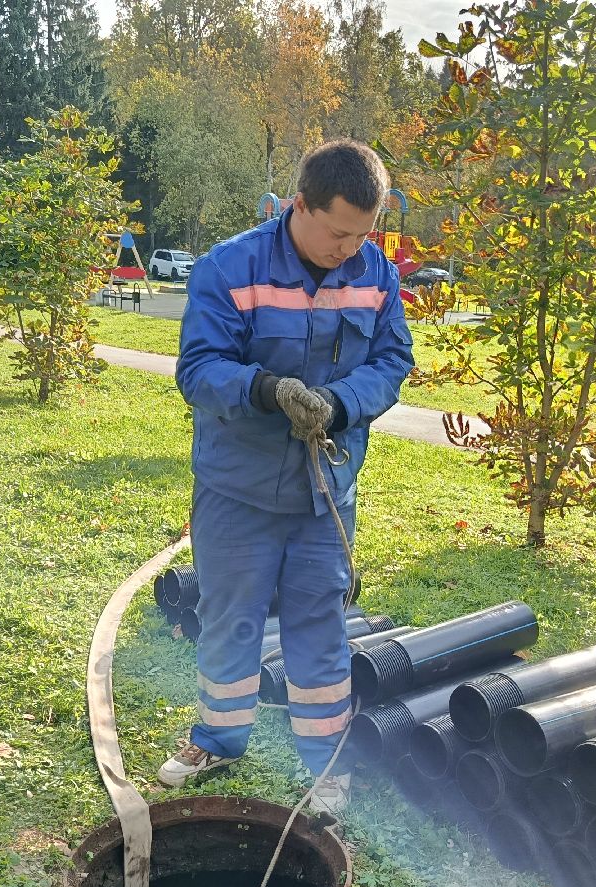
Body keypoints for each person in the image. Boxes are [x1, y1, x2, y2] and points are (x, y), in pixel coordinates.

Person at [157, 140, 415, 813]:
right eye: (337, 232)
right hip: (236, 490)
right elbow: (199, 370)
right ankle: (218, 736)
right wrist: (267, 389)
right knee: (228, 620)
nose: (349, 247)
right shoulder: (230, 268)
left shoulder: (374, 273)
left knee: (319, 628)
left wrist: (340, 403)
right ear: (299, 205)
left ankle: (326, 766)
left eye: (363, 233)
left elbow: (392, 361)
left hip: (323, 495)